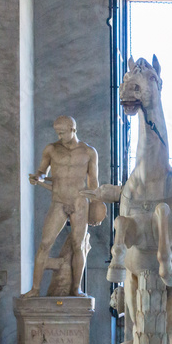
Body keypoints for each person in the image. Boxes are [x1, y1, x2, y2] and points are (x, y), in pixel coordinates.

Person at [23, 116, 103, 297]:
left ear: (73, 130)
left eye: (62, 132)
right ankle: (35, 289)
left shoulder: (89, 152)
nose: (59, 136)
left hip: (79, 202)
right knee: (44, 244)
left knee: (78, 245)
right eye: (57, 133)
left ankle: (76, 288)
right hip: (58, 201)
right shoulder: (51, 149)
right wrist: (38, 178)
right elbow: (42, 172)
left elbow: (93, 183)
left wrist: (96, 206)